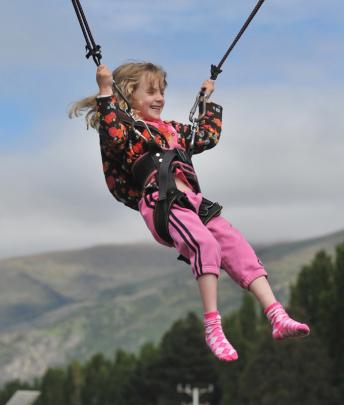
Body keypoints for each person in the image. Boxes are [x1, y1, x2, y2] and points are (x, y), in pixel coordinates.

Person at [70, 61, 310, 361]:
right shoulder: (126, 131)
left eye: (162, 92)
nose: (160, 98)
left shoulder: (173, 131)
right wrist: (106, 91)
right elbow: (113, 135)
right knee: (205, 245)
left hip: (195, 203)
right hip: (162, 203)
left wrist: (206, 101)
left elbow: (207, 136)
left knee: (238, 248)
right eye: (151, 92)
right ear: (129, 95)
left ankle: (276, 315)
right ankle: (213, 327)